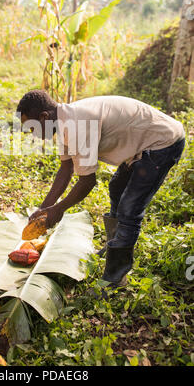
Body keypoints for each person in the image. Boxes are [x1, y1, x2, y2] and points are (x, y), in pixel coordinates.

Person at [16, 90, 185, 287]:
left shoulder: (77, 125)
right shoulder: (63, 122)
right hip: (142, 142)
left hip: (163, 142)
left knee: (129, 208)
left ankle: (115, 278)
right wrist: (43, 208)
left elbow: (87, 182)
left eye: (31, 128)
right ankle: (114, 244)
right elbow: (66, 169)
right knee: (117, 188)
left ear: (44, 117)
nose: (32, 134)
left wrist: (58, 209)